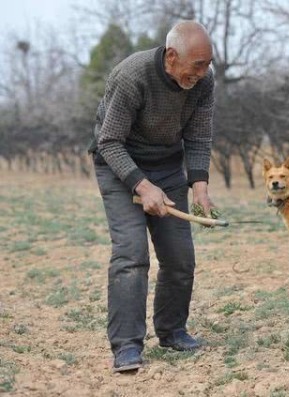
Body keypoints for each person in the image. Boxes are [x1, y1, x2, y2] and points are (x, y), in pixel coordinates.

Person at [88, 20, 216, 372]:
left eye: (207, 65)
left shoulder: (204, 81)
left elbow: (200, 134)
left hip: (168, 167)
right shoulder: (132, 76)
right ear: (172, 57)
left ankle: (173, 331)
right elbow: (109, 141)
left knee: (179, 257)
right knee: (131, 254)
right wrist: (142, 186)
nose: (203, 74)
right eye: (197, 66)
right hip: (119, 164)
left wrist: (199, 184)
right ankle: (127, 346)